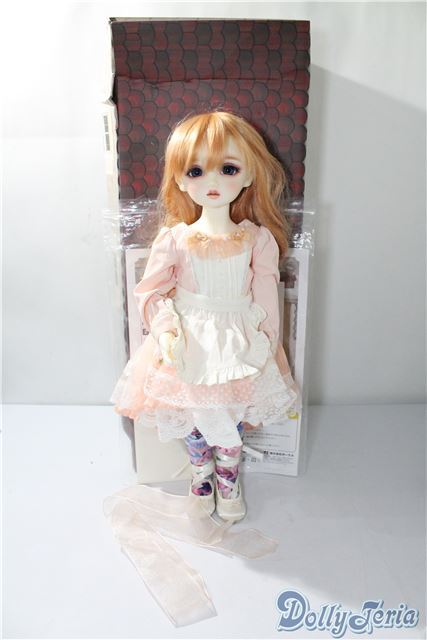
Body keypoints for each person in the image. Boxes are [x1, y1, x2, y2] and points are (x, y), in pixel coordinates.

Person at [111, 111, 300, 522]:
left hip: (237, 339)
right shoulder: (175, 238)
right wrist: (164, 330)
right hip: (190, 339)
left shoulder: (257, 239)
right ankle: (202, 476)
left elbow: (266, 292)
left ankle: (228, 479)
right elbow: (150, 291)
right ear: (180, 180)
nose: (212, 182)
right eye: (195, 171)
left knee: (232, 413)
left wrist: (267, 337)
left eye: (228, 169)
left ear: (248, 175)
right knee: (195, 416)